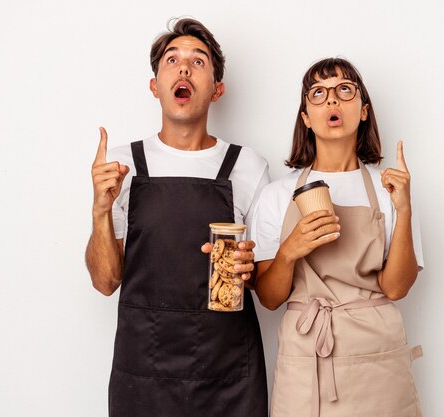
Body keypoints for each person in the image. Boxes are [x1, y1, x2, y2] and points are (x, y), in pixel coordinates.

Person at [85, 18, 269, 417]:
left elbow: (268, 287)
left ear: (217, 89)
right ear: (155, 86)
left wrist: (249, 268)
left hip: (226, 378)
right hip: (142, 376)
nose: (184, 68)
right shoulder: (120, 166)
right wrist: (100, 210)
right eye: (172, 60)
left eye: (198, 61)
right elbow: (104, 281)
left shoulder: (248, 167)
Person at [251, 57, 425, 417]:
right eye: (318, 93)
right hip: (306, 361)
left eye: (344, 90)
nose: (332, 100)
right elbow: (269, 299)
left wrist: (405, 210)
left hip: (377, 363)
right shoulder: (277, 195)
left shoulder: (388, 189)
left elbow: (396, 288)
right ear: (305, 117)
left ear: (363, 110)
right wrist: (288, 252)